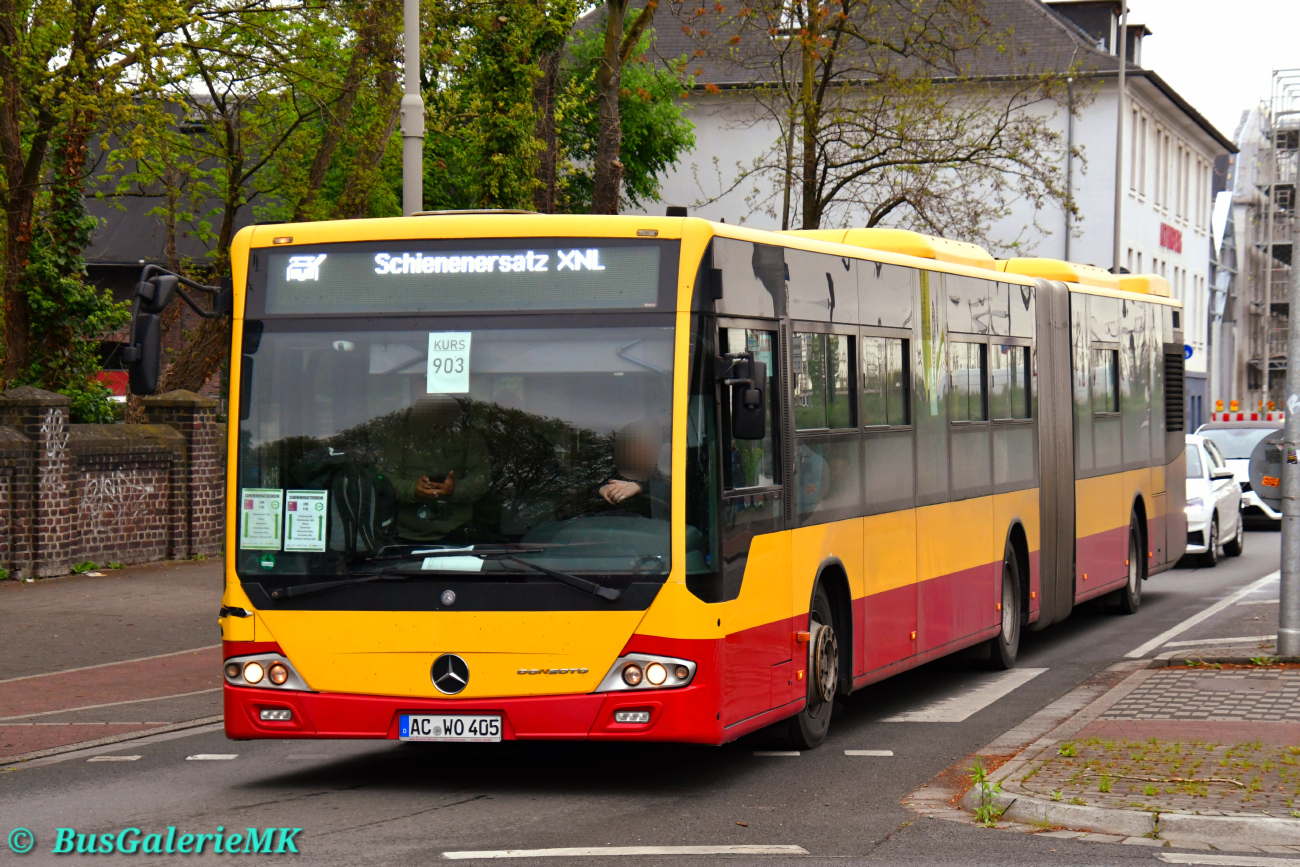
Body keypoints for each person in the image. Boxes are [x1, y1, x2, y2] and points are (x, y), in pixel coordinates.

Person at [384, 395, 489, 542]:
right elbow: (385, 480)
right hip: (404, 535)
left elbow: (482, 478)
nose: (433, 417)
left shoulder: (469, 436)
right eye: (427, 411)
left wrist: (454, 489)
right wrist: (413, 489)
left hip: (459, 533)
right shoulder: (398, 437)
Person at [599, 418, 669, 519]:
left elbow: (670, 490)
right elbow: (582, 492)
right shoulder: (612, 473)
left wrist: (638, 487)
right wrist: (602, 490)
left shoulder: (664, 475)